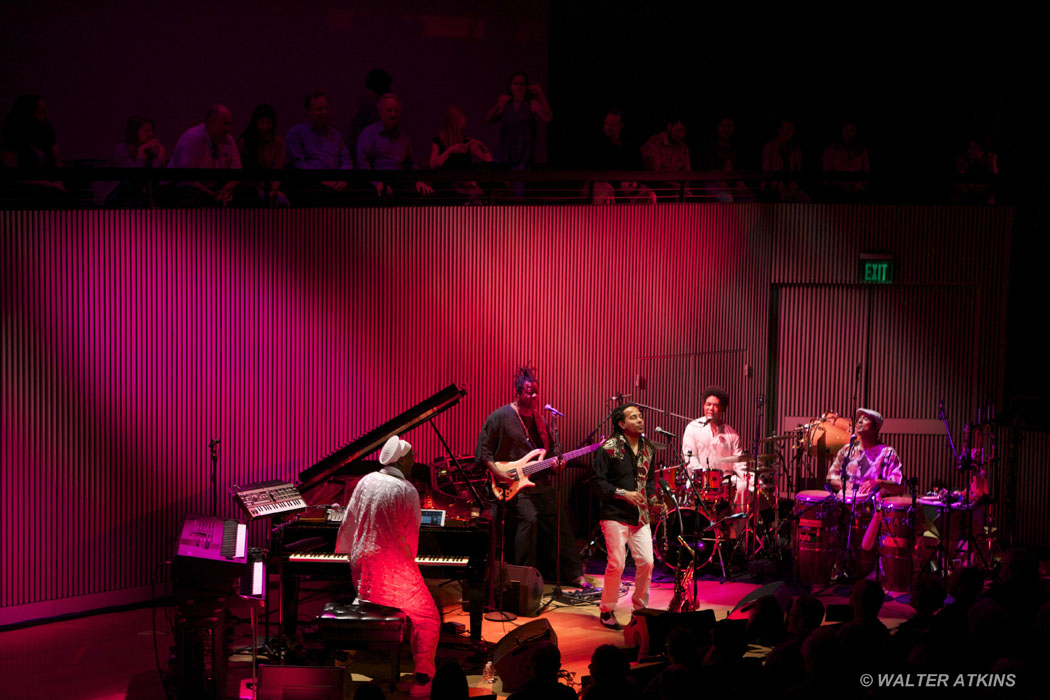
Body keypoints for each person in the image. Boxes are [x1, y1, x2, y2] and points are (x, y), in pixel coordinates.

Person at [334, 435, 440, 698]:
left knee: (366, 598)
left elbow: (349, 520)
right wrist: (408, 563)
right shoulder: (407, 490)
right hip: (392, 570)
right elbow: (411, 537)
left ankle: (345, 654)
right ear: (402, 460)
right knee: (428, 617)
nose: (415, 459)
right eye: (412, 455)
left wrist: (351, 554)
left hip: (362, 567)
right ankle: (423, 678)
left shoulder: (364, 481)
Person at [475, 366, 587, 587]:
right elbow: (484, 453)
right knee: (529, 519)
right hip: (512, 485)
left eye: (536, 391)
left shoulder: (542, 421)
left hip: (538, 483)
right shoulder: (500, 417)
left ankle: (572, 573)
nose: (535, 396)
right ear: (518, 392)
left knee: (558, 518)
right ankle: (521, 577)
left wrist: (557, 465)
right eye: (529, 392)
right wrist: (500, 475)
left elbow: (550, 455)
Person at [591, 403, 658, 629]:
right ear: (621, 424)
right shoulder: (608, 448)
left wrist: (654, 500)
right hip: (614, 513)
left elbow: (649, 481)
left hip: (640, 516)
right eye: (633, 417)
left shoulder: (648, 448)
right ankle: (607, 609)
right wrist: (623, 494)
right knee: (617, 563)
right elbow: (598, 483)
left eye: (640, 416)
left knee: (647, 562)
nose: (640, 420)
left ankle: (640, 610)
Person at [681, 387, 745, 509]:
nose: (710, 408)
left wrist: (751, 480)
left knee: (743, 485)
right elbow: (690, 459)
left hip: (724, 482)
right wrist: (706, 478)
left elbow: (739, 465)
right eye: (708, 404)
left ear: (722, 409)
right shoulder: (693, 427)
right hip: (698, 480)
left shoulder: (732, 435)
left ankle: (735, 526)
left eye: (715, 405)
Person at [357, 93, 432, 197]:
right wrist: (376, 183)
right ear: (380, 112)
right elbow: (362, 164)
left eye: (396, 111)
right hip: (377, 184)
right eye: (389, 110)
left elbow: (412, 164)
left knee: (426, 193)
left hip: (401, 183)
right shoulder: (368, 134)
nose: (393, 114)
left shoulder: (404, 138)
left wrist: (418, 180)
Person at [167, 104, 241, 206]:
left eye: (229, 124)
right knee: (190, 195)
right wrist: (211, 194)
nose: (228, 129)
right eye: (225, 124)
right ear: (211, 121)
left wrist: (225, 191)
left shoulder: (228, 140)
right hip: (184, 189)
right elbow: (185, 177)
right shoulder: (192, 139)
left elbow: (237, 172)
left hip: (212, 189)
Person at [825, 408, 904, 498]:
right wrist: (844, 484)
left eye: (865, 419)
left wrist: (878, 482)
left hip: (875, 507)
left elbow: (899, 486)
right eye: (859, 419)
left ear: (875, 427)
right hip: (847, 505)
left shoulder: (887, 453)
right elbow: (831, 479)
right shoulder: (847, 450)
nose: (860, 421)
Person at [285, 91, 353, 194]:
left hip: (337, 186)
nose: (324, 112)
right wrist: (321, 179)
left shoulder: (336, 135)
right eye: (319, 109)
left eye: (326, 108)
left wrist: (343, 178)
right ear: (308, 112)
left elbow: (346, 160)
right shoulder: (296, 134)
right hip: (309, 187)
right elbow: (298, 164)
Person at [93, 115, 166, 207]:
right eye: (146, 131)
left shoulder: (148, 150)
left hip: (132, 195)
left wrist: (161, 152)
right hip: (112, 196)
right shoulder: (121, 149)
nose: (150, 134)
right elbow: (133, 177)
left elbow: (154, 175)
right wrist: (140, 153)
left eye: (151, 130)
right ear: (134, 132)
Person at [589, 110, 654, 204]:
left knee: (650, 195)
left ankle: (639, 218)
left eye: (613, 125)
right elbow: (594, 170)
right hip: (600, 182)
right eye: (607, 123)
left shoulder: (629, 144)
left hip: (627, 183)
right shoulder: (595, 142)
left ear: (621, 126)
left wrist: (635, 183)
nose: (608, 127)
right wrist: (619, 183)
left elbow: (639, 168)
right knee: (607, 193)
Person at [430, 105, 491, 201]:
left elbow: (488, 161)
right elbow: (433, 164)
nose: (460, 131)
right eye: (459, 128)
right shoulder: (439, 142)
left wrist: (484, 148)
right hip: (447, 190)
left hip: (465, 188)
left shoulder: (466, 141)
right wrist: (450, 151)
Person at [237, 104, 288, 206]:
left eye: (268, 123)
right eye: (262, 122)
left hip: (272, 187)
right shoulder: (245, 142)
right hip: (250, 188)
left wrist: (273, 190)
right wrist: (259, 189)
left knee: (283, 202)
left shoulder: (278, 143)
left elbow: (279, 170)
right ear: (256, 123)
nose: (265, 126)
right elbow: (242, 172)